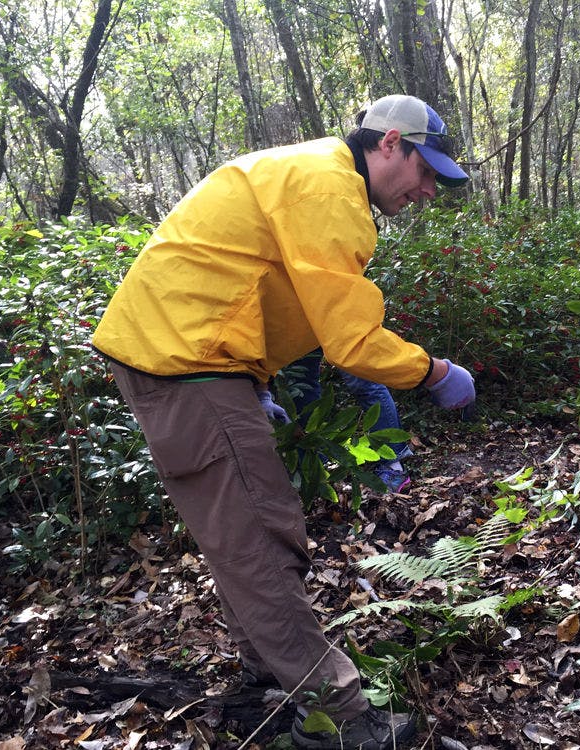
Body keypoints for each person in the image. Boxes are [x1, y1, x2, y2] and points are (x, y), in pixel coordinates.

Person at [92, 93, 476, 750]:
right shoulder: (329, 189)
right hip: (191, 364)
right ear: (389, 143)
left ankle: (264, 682)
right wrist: (434, 372)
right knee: (259, 540)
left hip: (195, 358)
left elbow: (251, 280)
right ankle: (336, 717)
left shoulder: (312, 173)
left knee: (246, 532)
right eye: (425, 170)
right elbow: (351, 340)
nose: (428, 190)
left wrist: (257, 380)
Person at [286, 349, 413, 493]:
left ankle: (394, 469)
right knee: (301, 382)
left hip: (335, 327)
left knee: (362, 378)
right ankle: (319, 472)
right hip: (300, 329)